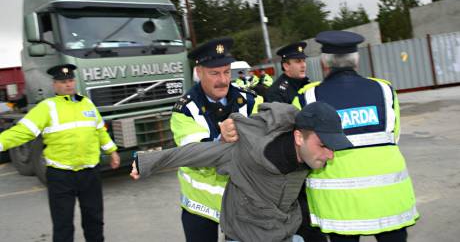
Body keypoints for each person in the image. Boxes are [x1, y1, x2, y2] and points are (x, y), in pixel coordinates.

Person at [131, 101, 352, 242]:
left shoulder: (307, 157)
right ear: (298, 137)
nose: (331, 155)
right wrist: (147, 162)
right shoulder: (246, 151)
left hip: (284, 234)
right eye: (324, 145)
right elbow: (194, 153)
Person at [293, 31, 419, 242]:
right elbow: (393, 136)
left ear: (325, 63)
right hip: (389, 200)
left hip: (339, 206)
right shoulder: (385, 90)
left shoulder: (308, 97)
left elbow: (303, 148)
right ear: (356, 61)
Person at [0, 64, 120, 242]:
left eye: (71, 80)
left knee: (94, 220)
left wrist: (112, 151)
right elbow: (23, 131)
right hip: (61, 175)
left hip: (90, 172)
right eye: (63, 82)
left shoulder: (86, 103)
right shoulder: (46, 107)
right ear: (54, 84)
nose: (69, 85)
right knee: (63, 224)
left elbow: (99, 130)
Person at [166, 37, 263, 242]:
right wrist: (221, 141)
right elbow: (194, 154)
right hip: (200, 206)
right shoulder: (185, 110)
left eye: (227, 72)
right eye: (214, 73)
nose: (223, 80)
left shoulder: (250, 100)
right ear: (199, 72)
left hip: (241, 202)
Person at [265, 42, 324, 241]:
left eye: (303, 61)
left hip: (313, 159)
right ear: (285, 65)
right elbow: (278, 133)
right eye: (297, 61)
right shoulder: (277, 92)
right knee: (302, 219)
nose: (303, 65)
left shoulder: (310, 85)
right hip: (294, 165)